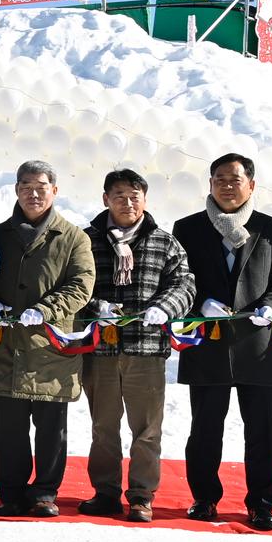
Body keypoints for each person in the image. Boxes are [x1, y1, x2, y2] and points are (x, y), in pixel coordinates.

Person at [171, 152, 272, 530]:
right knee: (205, 429)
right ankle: (204, 498)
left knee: (262, 431)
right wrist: (199, 302)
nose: (227, 185)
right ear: (210, 184)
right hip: (207, 344)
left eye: (235, 179)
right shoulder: (188, 228)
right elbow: (178, 279)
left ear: (251, 185)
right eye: (219, 179)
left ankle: (261, 503)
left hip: (257, 346)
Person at [78, 168, 195, 523]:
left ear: (145, 199)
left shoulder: (164, 241)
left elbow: (185, 285)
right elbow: (73, 283)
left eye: (134, 196)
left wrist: (164, 308)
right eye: (119, 196)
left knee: (146, 429)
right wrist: (95, 308)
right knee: (103, 426)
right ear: (105, 199)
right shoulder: (87, 240)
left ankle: (142, 495)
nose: (127, 203)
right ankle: (106, 492)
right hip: (100, 350)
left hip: (146, 350)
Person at [0, 161, 94, 518]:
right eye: (26, 186)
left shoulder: (74, 237)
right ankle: (11, 493)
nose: (33, 193)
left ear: (55, 191)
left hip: (51, 349)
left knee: (51, 428)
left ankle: (46, 491)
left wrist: (47, 309)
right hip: (9, 346)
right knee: (9, 430)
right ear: (16, 190)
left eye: (41, 186)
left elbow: (82, 285)